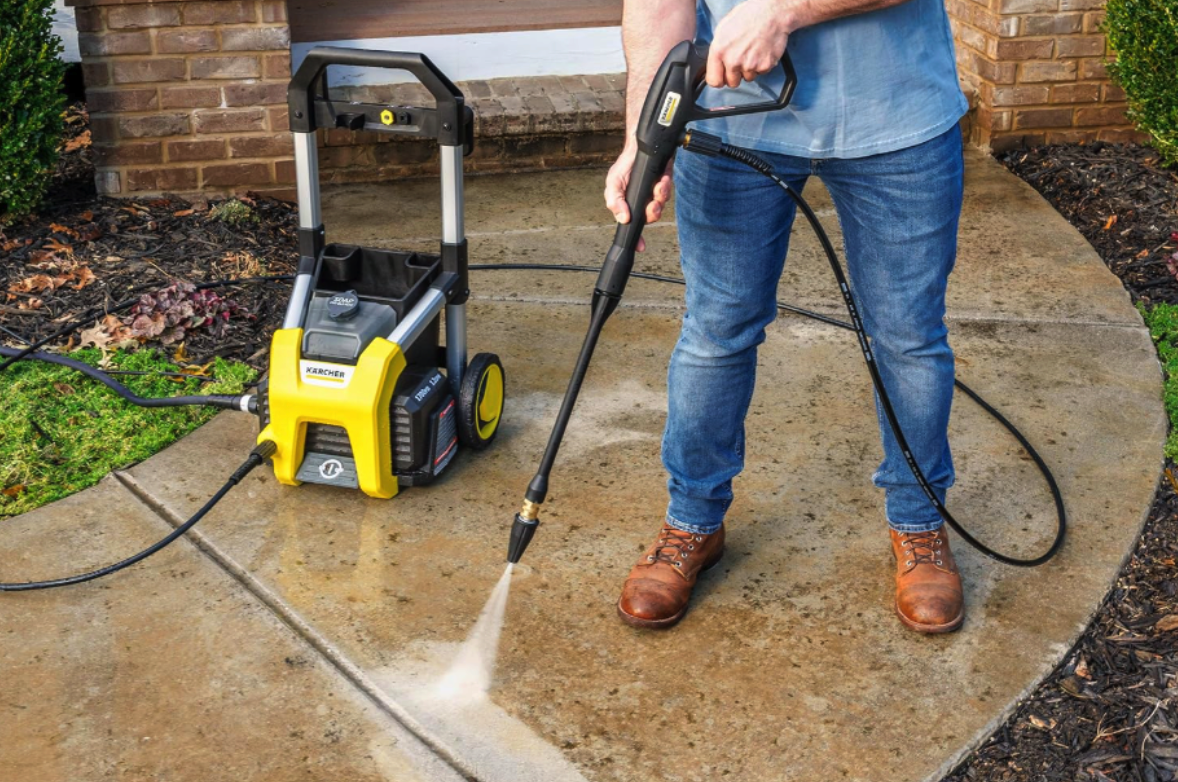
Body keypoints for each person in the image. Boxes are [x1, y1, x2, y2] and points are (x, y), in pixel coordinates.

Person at [606, 0, 969, 633]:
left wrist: (783, 10)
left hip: (900, 116)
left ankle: (918, 523)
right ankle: (692, 520)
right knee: (715, 332)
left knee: (909, 338)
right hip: (728, 119)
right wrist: (647, 134)